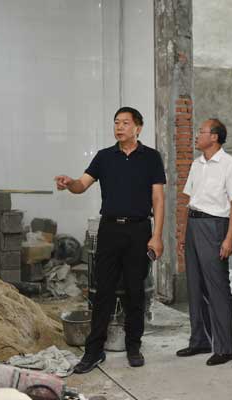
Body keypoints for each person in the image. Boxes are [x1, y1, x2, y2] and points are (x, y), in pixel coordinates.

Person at [55, 107, 166, 373]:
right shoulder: (104, 157)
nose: (119, 127)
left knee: (135, 291)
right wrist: (70, 183)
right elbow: (82, 185)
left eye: (125, 123)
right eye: (116, 123)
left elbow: (158, 199)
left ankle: (133, 346)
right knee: (102, 291)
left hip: (139, 230)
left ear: (138, 128)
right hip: (109, 230)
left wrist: (157, 236)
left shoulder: (151, 157)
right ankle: (94, 351)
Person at [176, 118, 232, 366]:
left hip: (215, 226)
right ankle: (200, 340)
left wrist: (229, 238)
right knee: (195, 286)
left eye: (201, 131)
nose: (197, 135)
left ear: (214, 137)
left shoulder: (229, 164)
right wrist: (183, 235)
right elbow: (189, 201)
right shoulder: (197, 164)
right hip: (194, 225)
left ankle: (225, 348)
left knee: (217, 288)